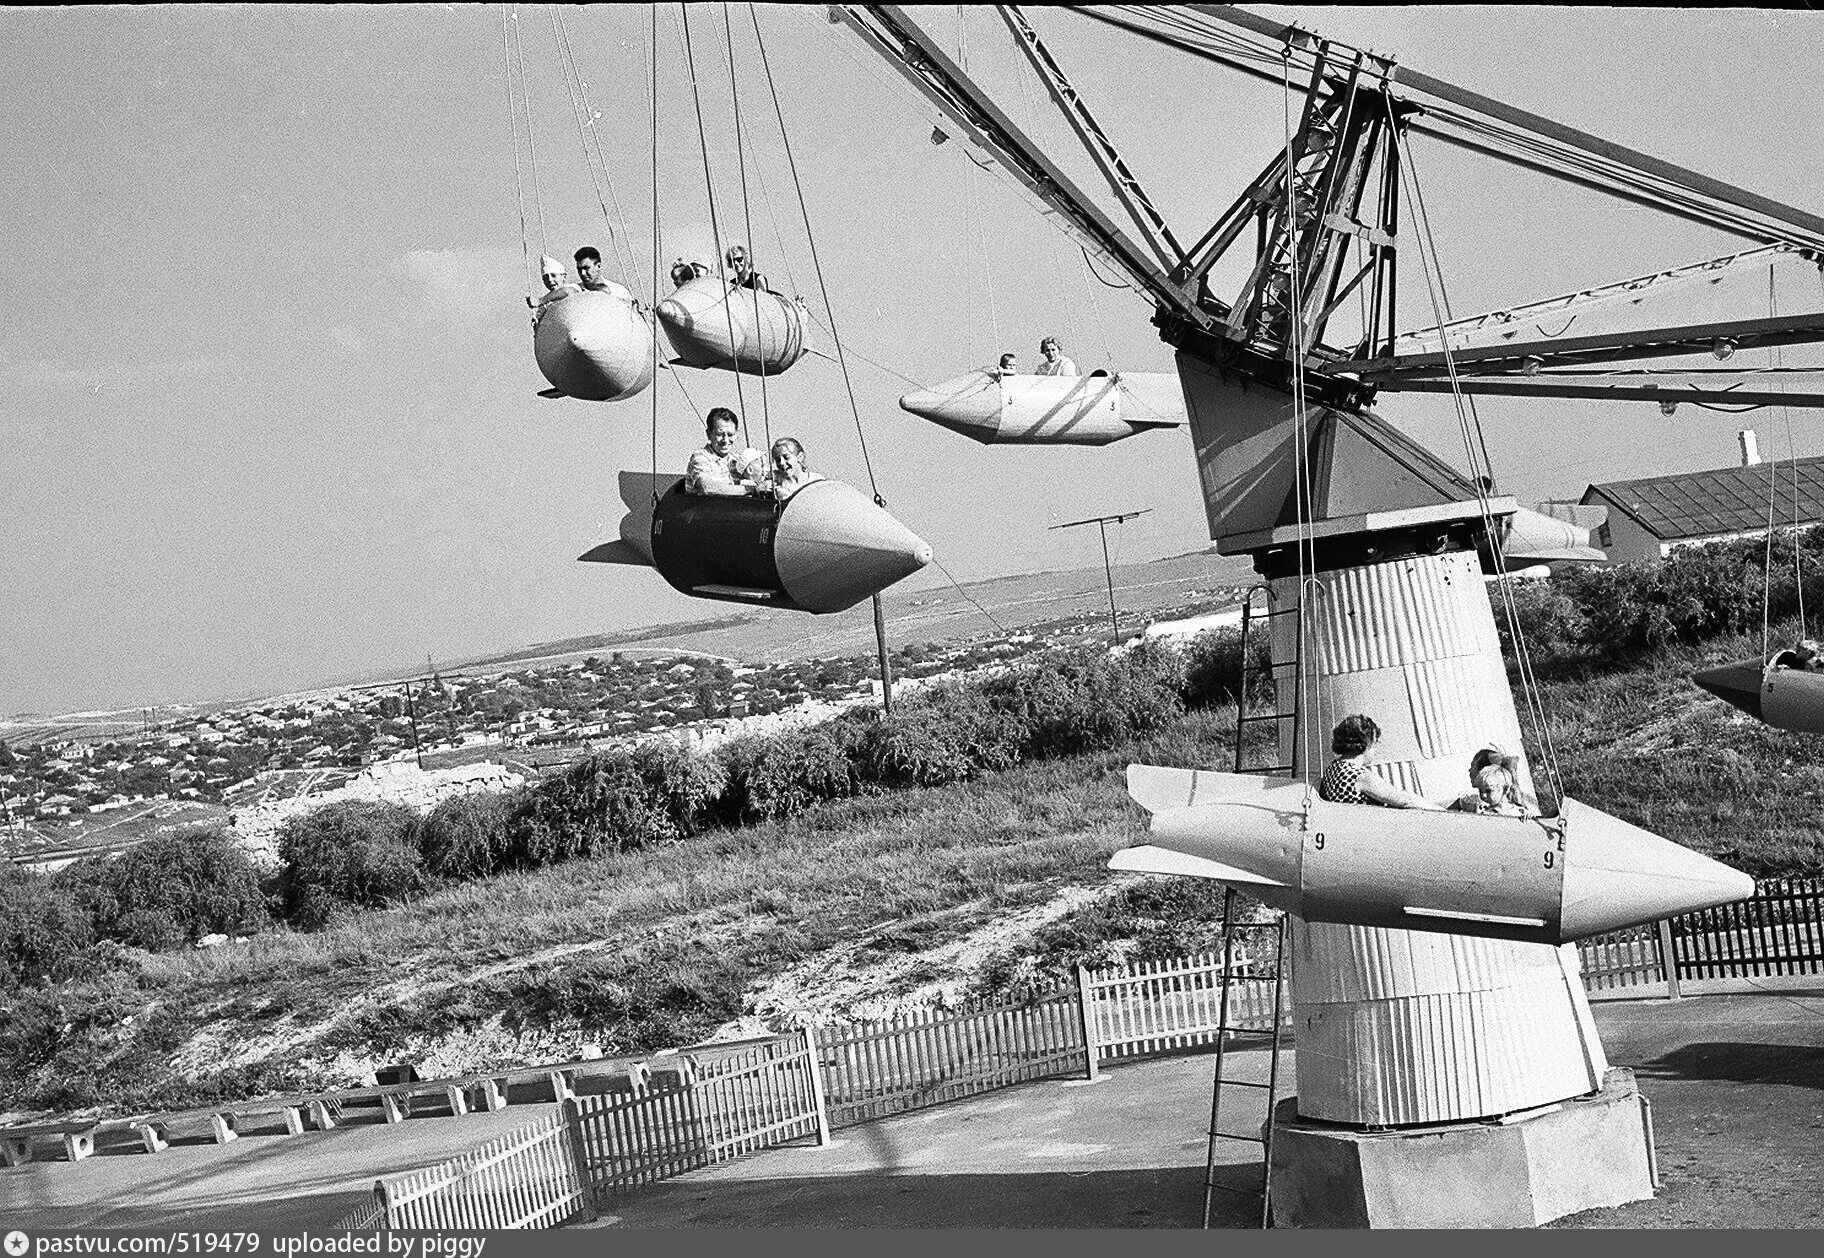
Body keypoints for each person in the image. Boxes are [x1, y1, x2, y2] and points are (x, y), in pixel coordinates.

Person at [1317, 714, 1442, 810]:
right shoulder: (1358, 776)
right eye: (1375, 743)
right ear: (1366, 743)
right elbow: (1405, 800)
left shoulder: (1333, 768)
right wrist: (1443, 812)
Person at [685, 408, 767, 497]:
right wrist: (750, 489)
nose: (725, 440)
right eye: (720, 434)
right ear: (709, 434)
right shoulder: (700, 458)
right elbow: (706, 488)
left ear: (736, 434)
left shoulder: (738, 460)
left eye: (730, 434)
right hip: (703, 509)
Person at [767, 437, 825, 502]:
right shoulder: (775, 483)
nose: (781, 463)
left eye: (786, 457)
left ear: (800, 457)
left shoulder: (817, 481)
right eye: (777, 460)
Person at [527, 255, 579, 324]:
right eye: (545, 277)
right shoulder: (543, 307)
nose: (550, 280)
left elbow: (567, 292)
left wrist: (540, 301)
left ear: (564, 276)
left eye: (553, 275)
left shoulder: (572, 287)